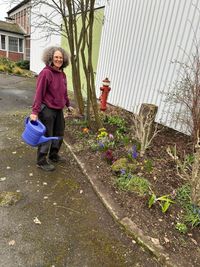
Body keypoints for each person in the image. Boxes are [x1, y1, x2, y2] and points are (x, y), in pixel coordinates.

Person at [30, 46, 73, 171]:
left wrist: (68, 104)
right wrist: (35, 111)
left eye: (60, 57)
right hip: (47, 110)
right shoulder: (46, 73)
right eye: (56, 57)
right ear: (50, 58)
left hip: (58, 109)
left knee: (59, 134)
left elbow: (64, 92)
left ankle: (54, 155)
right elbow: (39, 93)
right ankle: (41, 161)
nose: (59, 59)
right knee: (47, 136)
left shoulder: (62, 74)